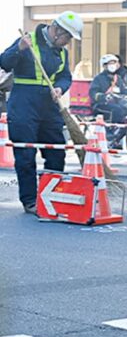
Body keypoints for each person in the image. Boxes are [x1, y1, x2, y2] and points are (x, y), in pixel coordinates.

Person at [0, 12, 81, 213]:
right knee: (25, 154)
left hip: (49, 104)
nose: (68, 42)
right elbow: (4, 62)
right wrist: (19, 49)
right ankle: (30, 201)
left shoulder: (61, 52)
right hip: (23, 104)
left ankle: (51, 195)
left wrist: (60, 88)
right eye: (67, 37)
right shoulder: (27, 41)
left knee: (56, 151)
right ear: (57, 31)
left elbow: (64, 76)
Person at [89, 54, 127, 146]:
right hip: (101, 105)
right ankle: (110, 131)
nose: (113, 65)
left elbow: (124, 90)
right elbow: (93, 93)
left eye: (114, 63)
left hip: (117, 104)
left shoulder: (118, 78)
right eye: (110, 63)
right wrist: (103, 96)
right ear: (104, 66)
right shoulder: (99, 78)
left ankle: (117, 139)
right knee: (116, 109)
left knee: (125, 113)